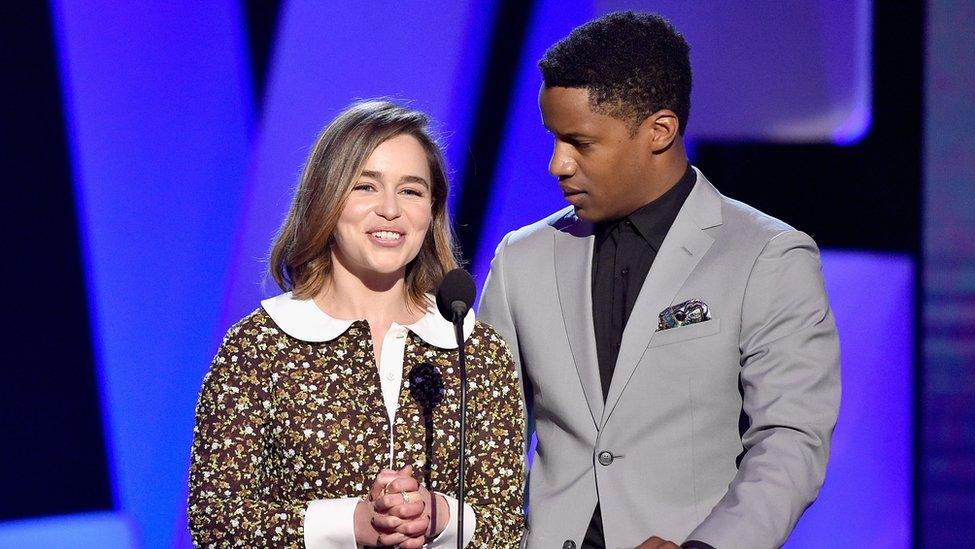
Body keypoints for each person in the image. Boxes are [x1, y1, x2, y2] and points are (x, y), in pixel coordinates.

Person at [479, 12, 840, 549]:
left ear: (660, 131)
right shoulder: (520, 259)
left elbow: (789, 440)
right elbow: (486, 443)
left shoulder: (766, 255)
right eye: (554, 139)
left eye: (579, 142)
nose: (557, 164)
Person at [188, 100, 525, 548]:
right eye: (366, 187)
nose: (390, 209)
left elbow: (505, 522)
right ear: (326, 199)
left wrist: (436, 516)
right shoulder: (260, 346)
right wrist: (354, 523)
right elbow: (215, 519)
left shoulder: (473, 348)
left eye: (411, 191)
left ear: (432, 210)